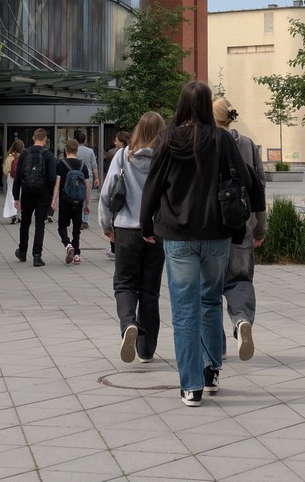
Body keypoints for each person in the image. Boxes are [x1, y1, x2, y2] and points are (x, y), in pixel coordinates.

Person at [140, 80, 252, 407]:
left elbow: (153, 184)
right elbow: (246, 180)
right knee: (211, 301)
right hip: (216, 233)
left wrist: (146, 223)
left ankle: (191, 387)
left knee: (184, 310)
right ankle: (211, 371)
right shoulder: (222, 139)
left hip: (178, 236)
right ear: (206, 105)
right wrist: (253, 218)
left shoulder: (167, 139)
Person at [99, 112, 166, 364]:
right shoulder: (165, 157)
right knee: (150, 291)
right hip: (156, 232)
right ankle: (146, 351)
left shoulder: (122, 156)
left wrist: (107, 225)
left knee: (125, 283)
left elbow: (107, 193)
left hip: (126, 229)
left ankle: (128, 323)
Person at [213, 98, 266, 362]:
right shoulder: (247, 145)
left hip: (212, 225)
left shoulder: (207, 142)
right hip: (243, 223)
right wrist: (260, 228)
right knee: (240, 280)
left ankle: (216, 345)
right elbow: (259, 188)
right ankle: (242, 320)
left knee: (210, 288)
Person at [13, 128, 56, 267]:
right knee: (40, 224)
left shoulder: (24, 154)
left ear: (33, 138)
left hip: (27, 192)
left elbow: (18, 176)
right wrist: (52, 196)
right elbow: (52, 178)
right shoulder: (48, 155)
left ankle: (22, 251)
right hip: (43, 194)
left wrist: (16, 197)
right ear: (45, 139)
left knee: (25, 222)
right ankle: (37, 255)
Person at [51, 138, 90, 265]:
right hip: (79, 201)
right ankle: (77, 255)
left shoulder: (61, 164)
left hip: (65, 200)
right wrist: (87, 204)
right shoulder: (83, 165)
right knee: (76, 229)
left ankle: (67, 244)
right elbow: (87, 186)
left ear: (65, 149)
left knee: (62, 226)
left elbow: (57, 183)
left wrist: (54, 200)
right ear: (77, 150)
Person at [103, 130, 131, 259]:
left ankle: (115, 247)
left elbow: (110, 175)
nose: (114, 143)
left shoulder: (115, 154)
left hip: (119, 191)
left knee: (115, 217)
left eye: (116, 140)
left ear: (122, 141)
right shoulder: (134, 152)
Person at [75, 129, 99, 228]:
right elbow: (94, 166)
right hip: (89, 176)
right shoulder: (90, 151)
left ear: (76, 140)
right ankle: (85, 220)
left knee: (78, 198)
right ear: (85, 140)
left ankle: (79, 219)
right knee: (87, 198)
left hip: (77, 176)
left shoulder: (75, 150)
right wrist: (97, 178)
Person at [2, 139, 25, 224]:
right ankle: (20, 215)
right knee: (21, 195)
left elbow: (5, 170)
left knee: (11, 195)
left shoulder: (10, 157)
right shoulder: (24, 156)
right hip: (22, 178)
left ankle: (13, 214)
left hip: (11, 178)